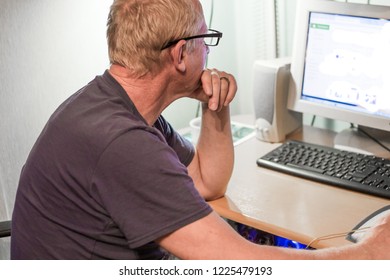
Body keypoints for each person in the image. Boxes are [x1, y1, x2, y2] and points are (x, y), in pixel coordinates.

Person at [11, 0, 390, 260]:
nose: (209, 53)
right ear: (179, 55)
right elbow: (238, 263)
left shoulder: (116, 106)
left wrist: (216, 108)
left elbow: (207, 181)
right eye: (206, 41)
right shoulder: (122, 144)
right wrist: (367, 255)